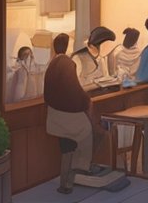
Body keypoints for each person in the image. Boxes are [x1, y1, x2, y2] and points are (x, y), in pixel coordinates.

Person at [44, 34, 93, 194]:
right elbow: (74, 89)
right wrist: (86, 99)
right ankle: (75, 176)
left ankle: (65, 183)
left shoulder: (52, 63)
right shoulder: (67, 63)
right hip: (67, 115)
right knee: (87, 133)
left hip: (54, 115)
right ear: (67, 46)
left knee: (66, 148)